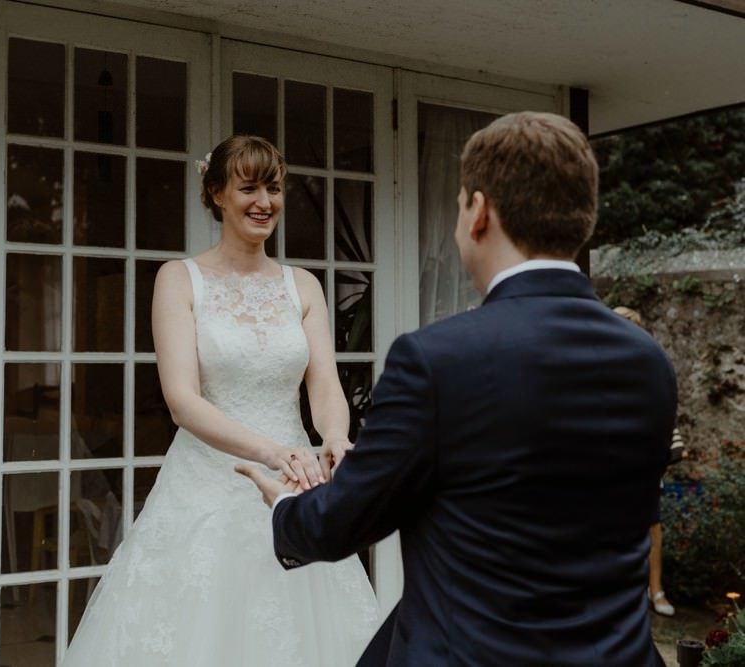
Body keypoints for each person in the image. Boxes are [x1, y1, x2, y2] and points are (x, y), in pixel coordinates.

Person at [238, 112, 677, 665]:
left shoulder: (436, 360)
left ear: (478, 212)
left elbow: (342, 522)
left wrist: (285, 507)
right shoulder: (649, 361)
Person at [62, 135, 379, 666]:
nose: (265, 202)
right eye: (248, 187)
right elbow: (183, 402)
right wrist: (273, 453)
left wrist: (335, 436)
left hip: (295, 484)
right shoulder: (179, 280)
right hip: (206, 488)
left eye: (273, 188)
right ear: (215, 193)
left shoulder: (302, 287)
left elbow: (324, 386)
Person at [613, 305, 686, 617]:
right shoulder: (600, 366)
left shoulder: (648, 365)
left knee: (652, 525)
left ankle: (655, 590)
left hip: (642, 458)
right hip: (611, 462)